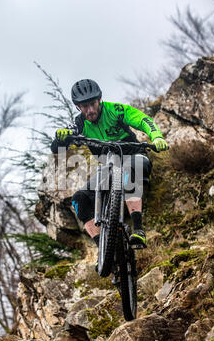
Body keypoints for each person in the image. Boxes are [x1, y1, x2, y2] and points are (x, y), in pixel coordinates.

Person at [50, 79, 168, 250]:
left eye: (92, 104)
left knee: (131, 168)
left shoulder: (115, 110)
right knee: (78, 199)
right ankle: (102, 250)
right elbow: (58, 148)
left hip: (133, 156)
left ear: (99, 100)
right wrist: (60, 138)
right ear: (78, 107)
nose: (90, 110)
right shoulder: (79, 123)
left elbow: (143, 120)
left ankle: (139, 230)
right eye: (84, 106)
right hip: (108, 167)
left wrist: (156, 137)